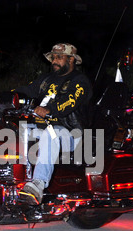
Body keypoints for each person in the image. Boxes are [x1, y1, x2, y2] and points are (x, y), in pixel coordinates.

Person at [15, 43, 92, 205]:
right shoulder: (46, 79)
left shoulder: (79, 81)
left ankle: (38, 184)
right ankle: (16, 179)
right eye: (53, 58)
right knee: (15, 130)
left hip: (71, 133)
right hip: (42, 128)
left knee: (51, 134)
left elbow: (70, 102)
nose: (54, 61)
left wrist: (49, 110)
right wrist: (4, 97)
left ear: (71, 60)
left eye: (59, 57)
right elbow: (25, 90)